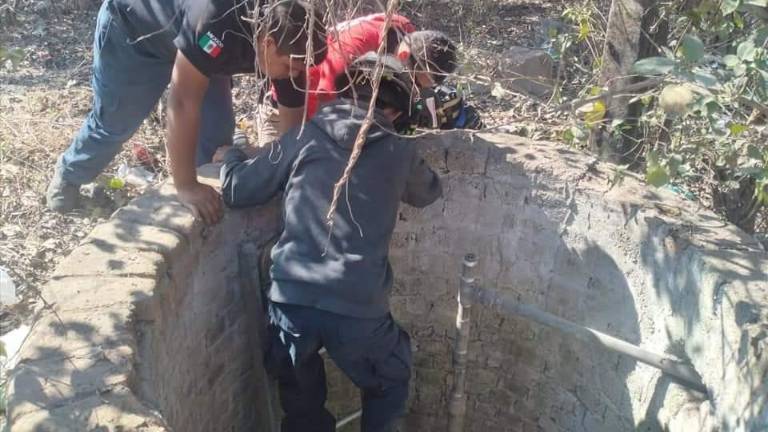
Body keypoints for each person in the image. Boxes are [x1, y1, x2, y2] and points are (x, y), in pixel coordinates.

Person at [220, 53, 442, 431]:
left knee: (302, 410)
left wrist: (232, 155)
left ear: (342, 93)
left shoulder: (305, 135)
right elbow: (428, 192)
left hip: (291, 302)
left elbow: (237, 189)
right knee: (388, 384)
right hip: (358, 307)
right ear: (394, 110)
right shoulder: (398, 149)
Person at [46, 0, 327, 225]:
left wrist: (281, 172)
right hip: (135, 35)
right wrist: (186, 186)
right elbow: (182, 103)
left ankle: (209, 206)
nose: (294, 75)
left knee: (216, 140)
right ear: (267, 44)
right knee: (115, 124)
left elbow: (291, 116)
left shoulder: (290, 38)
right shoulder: (216, 20)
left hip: (198, 47)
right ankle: (69, 176)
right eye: (290, 67)